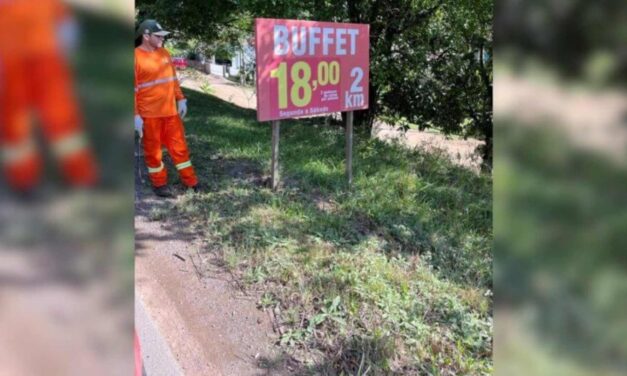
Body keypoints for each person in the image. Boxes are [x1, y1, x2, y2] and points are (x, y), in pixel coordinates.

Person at [0, 0, 99, 193]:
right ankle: (23, 180)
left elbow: (64, 23)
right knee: (15, 122)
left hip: (47, 59)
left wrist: (66, 51)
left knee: (62, 119)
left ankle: (81, 175)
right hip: (11, 63)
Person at [134, 19, 199, 197]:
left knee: (180, 149)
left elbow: (172, 79)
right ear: (146, 36)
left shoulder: (164, 53)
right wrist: (136, 116)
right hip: (150, 115)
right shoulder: (134, 57)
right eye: (159, 36)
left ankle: (191, 182)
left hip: (170, 112)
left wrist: (181, 99)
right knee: (153, 152)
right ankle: (159, 184)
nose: (163, 38)